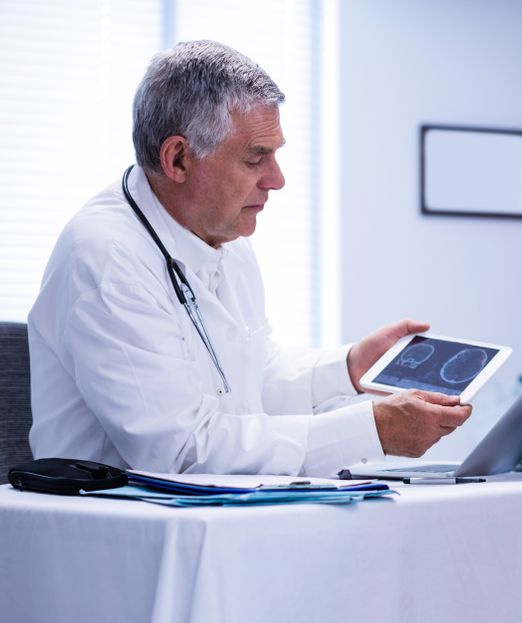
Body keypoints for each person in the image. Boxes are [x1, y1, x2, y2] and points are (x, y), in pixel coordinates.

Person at [27, 40, 471, 476]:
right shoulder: (107, 257)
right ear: (178, 159)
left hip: (214, 517)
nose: (277, 180)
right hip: (117, 531)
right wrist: (370, 429)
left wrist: (349, 367)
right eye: (256, 158)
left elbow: (248, 383)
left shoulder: (225, 238)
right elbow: (182, 453)